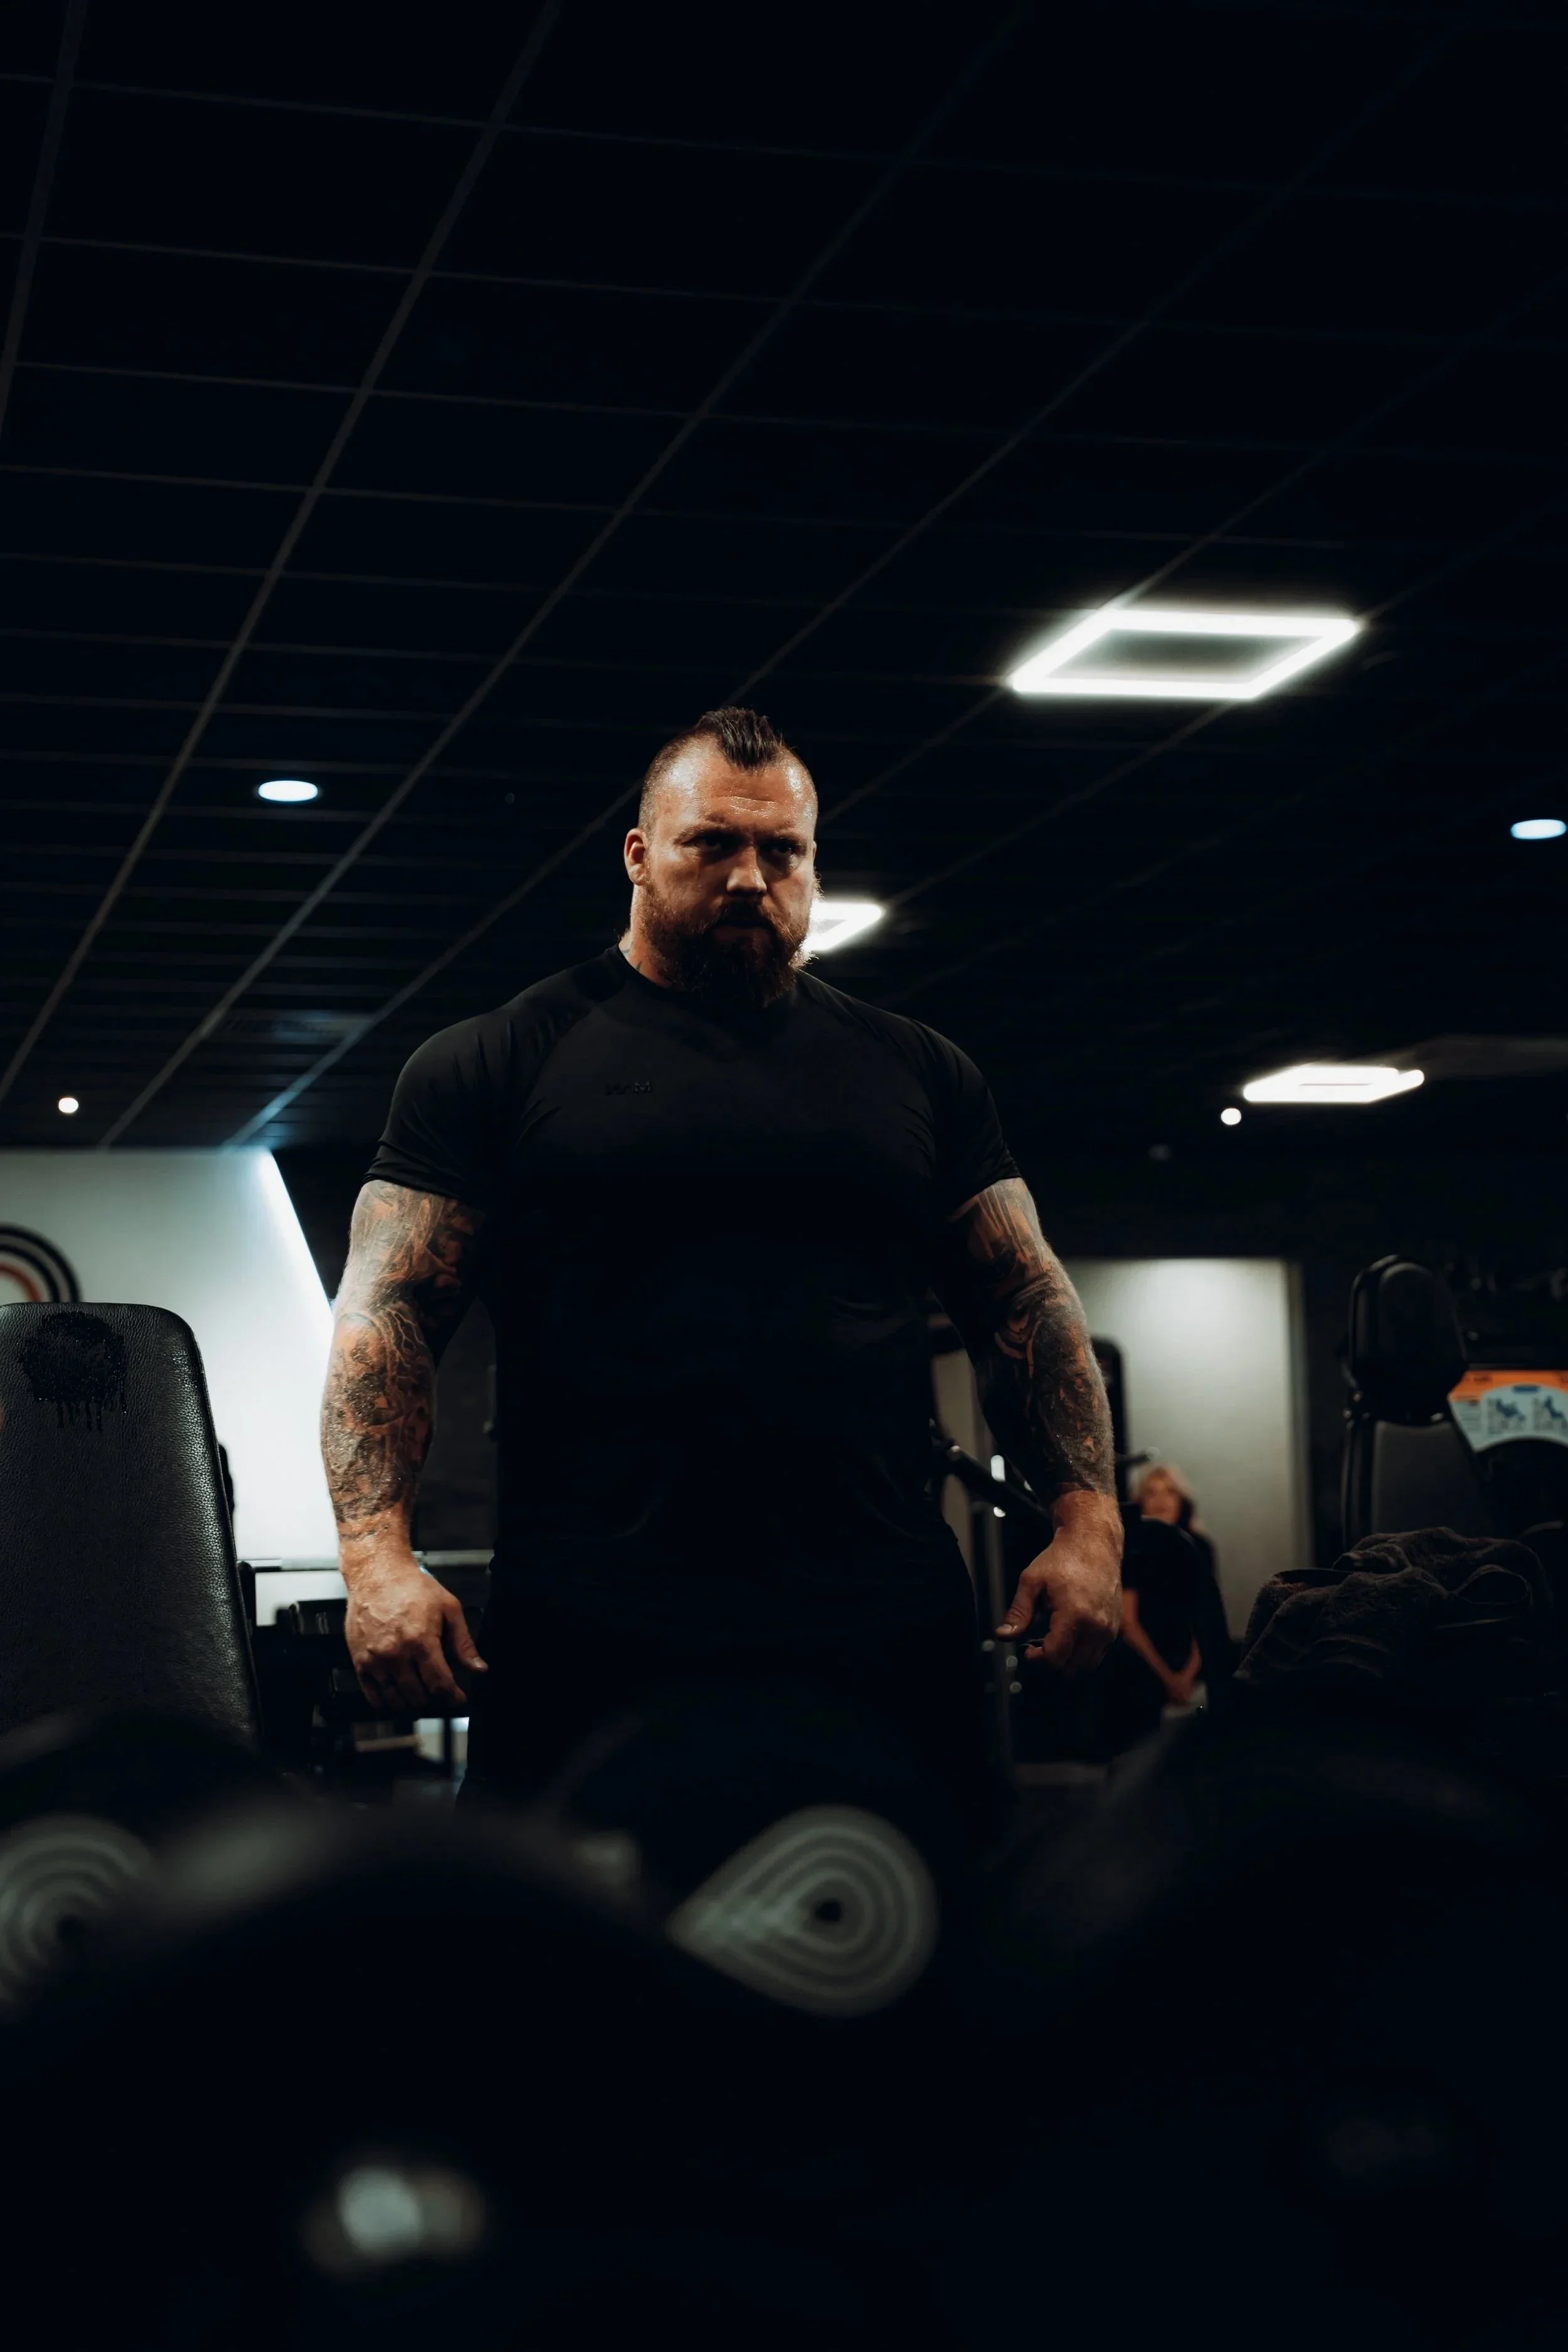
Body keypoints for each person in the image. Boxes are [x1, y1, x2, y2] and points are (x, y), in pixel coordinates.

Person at [319, 707, 1122, 1843]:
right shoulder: (497, 1060)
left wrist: (1091, 1525)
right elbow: (387, 1314)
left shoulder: (920, 1070)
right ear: (640, 855)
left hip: (878, 1614)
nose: (752, 878)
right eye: (713, 845)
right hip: (598, 1619)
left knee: (933, 1964)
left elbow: (1025, 1300)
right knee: (566, 1968)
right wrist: (376, 1560)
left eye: (783, 851)